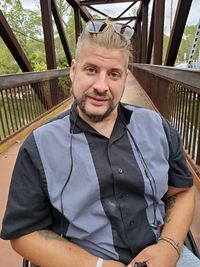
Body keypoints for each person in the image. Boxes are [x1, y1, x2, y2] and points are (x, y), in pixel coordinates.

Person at [1, 19, 200, 267]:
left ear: (125, 78)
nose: (101, 86)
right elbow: (23, 233)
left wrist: (169, 247)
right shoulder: (39, 145)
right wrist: (98, 265)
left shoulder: (157, 127)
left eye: (113, 74)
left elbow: (183, 189)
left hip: (162, 250)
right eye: (91, 70)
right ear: (73, 70)